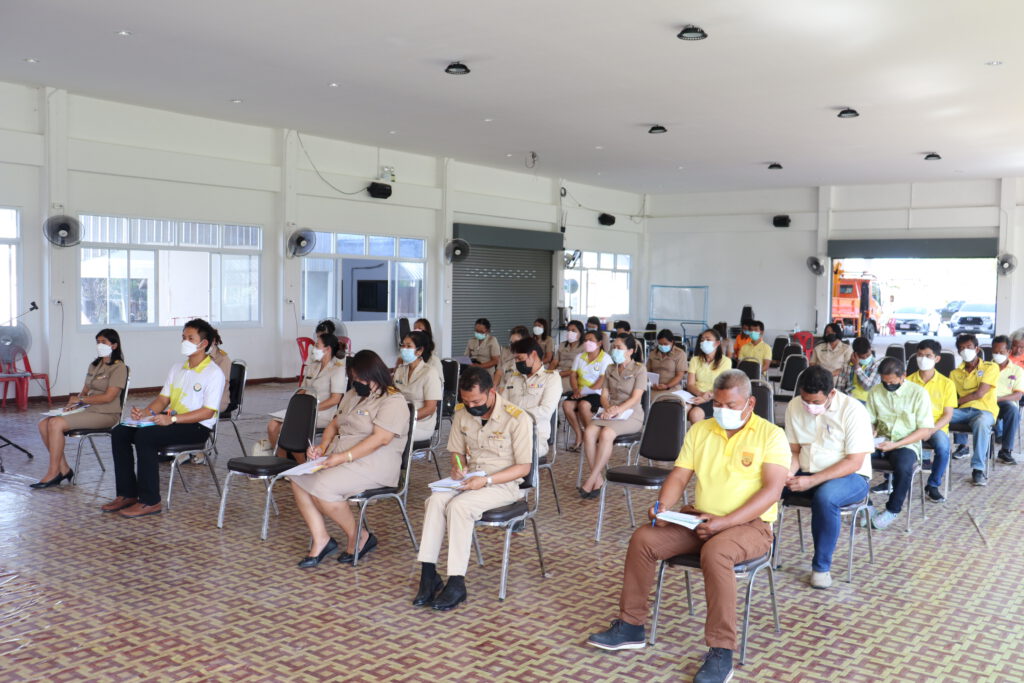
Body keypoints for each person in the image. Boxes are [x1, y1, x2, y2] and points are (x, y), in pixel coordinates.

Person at [585, 370, 788, 683]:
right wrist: (663, 507)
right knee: (644, 538)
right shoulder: (702, 430)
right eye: (717, 404)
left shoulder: (771, 435)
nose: (722, 411)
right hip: (701, 519)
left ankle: (721, 650)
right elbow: (679, 475)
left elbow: (772, 491)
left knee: (717, 552)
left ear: (750, 403)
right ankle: (631, 626)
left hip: (750, 526)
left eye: (731, 406)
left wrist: (724, 523)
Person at [413, 367, 532, 611]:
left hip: (502, 484)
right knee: (435, 500)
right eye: (466, 401)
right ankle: (428, 573)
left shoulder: (517, 418)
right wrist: (458, 467)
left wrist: (486, 481)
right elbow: (456, 452)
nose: (471, 406)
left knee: (459, 507)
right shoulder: (462, 413)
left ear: (492, 392)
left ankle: (456, 582)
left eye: (476, 401)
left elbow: (523, 468)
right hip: (471, 479)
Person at [292, 350, 410, 567]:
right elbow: (334, 424)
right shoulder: (352, 395)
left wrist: (343, 457)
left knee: (323, 487)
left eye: (361, 378)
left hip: (374, 465)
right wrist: (322, 447)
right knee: (298, 480)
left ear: (375, 374)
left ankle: (359, 536)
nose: (357, 383)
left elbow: (381, 439)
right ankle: (322, 539)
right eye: (354, 378)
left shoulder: (393, 400)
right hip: (342, 459)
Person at [102, 319, 225, 518]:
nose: (184, 341)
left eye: (190, 338)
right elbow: (162, 400)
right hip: (172, 421)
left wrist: (172, 420)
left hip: (196, 427)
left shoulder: (213, 373)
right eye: (183, 337)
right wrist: (145, 413)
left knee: (145, 437)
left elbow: (207, 412)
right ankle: (127, 494)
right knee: (120, 432)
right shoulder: (177, 368)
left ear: (203, 343)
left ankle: (150, 501)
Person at [782, 366, 873, 588]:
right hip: (806, 471)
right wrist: (787, 473)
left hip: (850, 476)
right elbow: (794, 451)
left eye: (815, 402)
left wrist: (812, 481)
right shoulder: (794, 406)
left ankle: (821, 568)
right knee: (766, 485)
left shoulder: (853, 410)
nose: (809, 406)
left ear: (831, 393)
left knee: (826, 498)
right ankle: (762, 549)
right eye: (805, 400)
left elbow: (854, 462)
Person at [32, 329, 128, 489]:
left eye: (104, 342)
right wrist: (73, 405)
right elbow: (84, 391)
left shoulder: (119, 367)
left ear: (114, 345)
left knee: (55, 423)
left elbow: (108, 397)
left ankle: (53, 471)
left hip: (106, 413)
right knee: (43, 423)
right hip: (88, 410)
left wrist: (81, 400)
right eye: (98, 342)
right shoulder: (94, 365)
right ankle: (64, 469)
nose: (99, 345)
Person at [865, 358, 934, 530]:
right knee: (854, 459)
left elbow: (924, 431)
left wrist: (895, 445)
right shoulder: (875, 391)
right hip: (880, 440)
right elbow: (870, 420)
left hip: (905, 443)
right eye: (884, 382)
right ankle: (866, 504)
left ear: (903, 376)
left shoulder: (918, 393)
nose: (888, 386)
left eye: (892, 382)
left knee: (903, 467)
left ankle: (892, 510)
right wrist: (871, 431)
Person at [579, 335, 647, 497]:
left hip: (631, 414)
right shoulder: (610, 368)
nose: (615, 350)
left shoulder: (639, 369)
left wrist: (618, 410)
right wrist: (608, 408)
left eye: (619, 348)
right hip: (610, 412)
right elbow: (603, 395)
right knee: (589, 431)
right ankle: (598, 479)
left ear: (630, 351)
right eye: (614, 347)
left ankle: (592, 478)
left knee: (607, 433)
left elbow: (636, 398)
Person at [267, 332, 345, 461]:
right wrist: (294, 405)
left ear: (327, 349)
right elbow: (303, 389)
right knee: (272, 425)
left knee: (291, 429)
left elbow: (335, 399)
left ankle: (301, 464)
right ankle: (282, 460)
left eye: (317, 345)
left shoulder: (337, 369)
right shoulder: (313, 366)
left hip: (323, 413)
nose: (313, 348)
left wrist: (312, 409)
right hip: (304, 409)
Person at [907, 339, 957, 502]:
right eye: (920, 355)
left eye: (928, 356)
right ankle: (891, 480)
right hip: (911, 425)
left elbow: (947, 415)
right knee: (894, 442)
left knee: (943, 448)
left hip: (935, 427)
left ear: (937, 358)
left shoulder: (947, 384)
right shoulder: (907, 381)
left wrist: (930, 430)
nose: (923, 359)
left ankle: (933, 485)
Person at [948, 334, 999, 486]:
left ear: (977, 349)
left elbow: (979, 394)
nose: (965, 350)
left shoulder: (990, 367)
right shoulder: (954, 373)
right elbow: (949, 396)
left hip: (985, 411)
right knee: (934, 417)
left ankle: (978, 469)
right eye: (962, 348)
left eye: (969, 347)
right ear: (958, 352)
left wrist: (955, 402)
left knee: (981, 423)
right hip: (963, 412)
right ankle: (926, 459)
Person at [502, 337, 562, 447]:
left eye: (520, 358)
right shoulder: (514, 378)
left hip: (534, 436)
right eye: (515, 359)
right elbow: (502, 404)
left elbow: (545, 410)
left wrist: (516, 416)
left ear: (533, 355)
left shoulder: (551, 378)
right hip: (508, 433)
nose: (517, 362)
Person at [562, 329, 612, 451]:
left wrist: (586, 392)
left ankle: (592, 437)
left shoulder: (605, 358)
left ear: (599, 343)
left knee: (584, 405)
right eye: (585, 340)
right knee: (566, 404)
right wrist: (575, 390)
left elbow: (602, 380)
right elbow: (573, 375)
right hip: (580, 391)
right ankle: (579, 435)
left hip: (597, 393)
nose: (587, 342)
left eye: (591, 340)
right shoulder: (580, 357)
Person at [394, 331, 443, 442]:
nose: (404, 349)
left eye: (408, 346)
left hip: (420, 423)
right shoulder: (400, 370)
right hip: (399, 418)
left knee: (387, 432)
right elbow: (393, 394)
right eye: (402, 345)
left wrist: (406, 418)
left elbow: (430, 409)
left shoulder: (430, 372)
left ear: (419, 351)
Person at [685, 328, 733, 425]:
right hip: (695, 394)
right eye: (702, 340)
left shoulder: (725, 362)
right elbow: (690, 384)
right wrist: (700, 394)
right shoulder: (695, 360)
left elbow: (724, 387)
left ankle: (701, 435)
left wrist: (706, 397)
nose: (704, 342)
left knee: (695, 414)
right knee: (682, 409)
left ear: (717, 343)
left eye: (708, 339)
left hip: (715, 397)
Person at [991, 335, 1022, 465]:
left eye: (1001, 352)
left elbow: (1018, 395)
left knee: (1013, 411)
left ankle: (1005, 450)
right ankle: (964, 447)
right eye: (995, 352)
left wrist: (998, 399)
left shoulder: (1017, 370)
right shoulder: (985, 367)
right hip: (986, 401)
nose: (998, 355)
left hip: (1004, 402)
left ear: (1008, 352)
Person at [836, 336, 882, 403]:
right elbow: (840, 386)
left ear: (870, 349)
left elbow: (868, 387)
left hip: (868, 400)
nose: (865, 358)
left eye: (867, 355)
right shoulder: (848, 365)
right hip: (850, 398)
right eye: (862, 357)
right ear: (855, 354)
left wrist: (857, 367)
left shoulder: (877, 365)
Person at [648, 329, 688, 403]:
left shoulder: (679, 354)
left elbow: (679, 375)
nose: (663, 346)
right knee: (645, 399)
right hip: (654, 388)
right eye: (660, 344)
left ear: (672, 342)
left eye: (665, 344)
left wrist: (667, 386)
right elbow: (648, 372)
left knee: (662, 401)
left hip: (672, 388)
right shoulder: (653, 353)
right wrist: (651, 384)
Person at [554, 320, 585, 392]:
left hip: (572, 376)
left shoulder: (584, 347)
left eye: (573, 331)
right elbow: (554, 362)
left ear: (580, 333)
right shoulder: (562, 344)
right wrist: (548, 373)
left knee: (554, 387)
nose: (570, 333)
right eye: (568, 330)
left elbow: (580, 369)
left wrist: (561, 374)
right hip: (557, 373)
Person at [208, 328, 232, 414]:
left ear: (214, 340)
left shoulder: (223, 358)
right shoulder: (201, 356)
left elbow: (222, 384)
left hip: (218, 400)